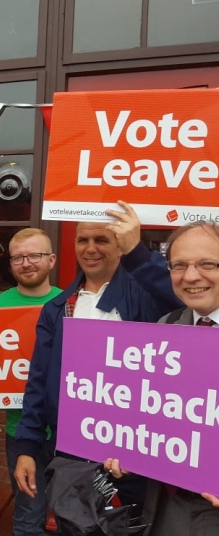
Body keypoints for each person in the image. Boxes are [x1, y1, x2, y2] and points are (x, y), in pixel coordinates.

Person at [14, 201, 181, 514]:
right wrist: (27, 446)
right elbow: (38, 382)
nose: (90, 249)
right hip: (71, 451)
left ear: (120, 246)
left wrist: (139, 255)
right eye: (82, 240)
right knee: (73, 525)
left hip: (132, 453)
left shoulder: (144, 298)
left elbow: (181, 294)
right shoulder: (57, 308)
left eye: (101, 240)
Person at [105, 220, 219, 535]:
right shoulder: (165, 327)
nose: (190, 276)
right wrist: (129, 451)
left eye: (207, 263)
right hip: (168, 506)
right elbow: (155, 415)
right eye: (178, 265)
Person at [0, 228, 60, 536]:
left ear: (52, 260)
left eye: (35, 255)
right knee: (28, 517)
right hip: (20, 430)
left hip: (68, 434)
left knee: (75, 515)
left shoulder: (71, 305)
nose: (26, 263)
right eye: (18, 257)